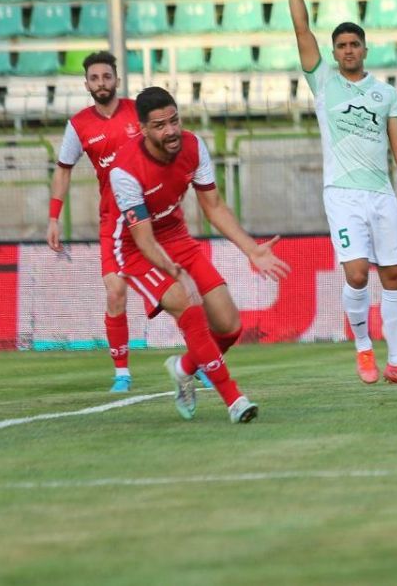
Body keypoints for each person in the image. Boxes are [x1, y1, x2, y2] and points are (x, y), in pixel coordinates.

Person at [285, 0, 397, 385]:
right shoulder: (323, 80)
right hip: (343, 193)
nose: (348, 50)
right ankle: (364, 348)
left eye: (354, 44)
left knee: (395, 274)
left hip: (381, 193)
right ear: (334, 52)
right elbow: (302, 30)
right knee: (357, 271)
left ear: (365, 49)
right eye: (341, 45)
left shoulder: (384, 94)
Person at [108, 87, 291, 423]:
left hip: (178, 239)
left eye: (174, 120)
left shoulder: (193, 146)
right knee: (188, 306)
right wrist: (177, 273)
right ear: (143, 130)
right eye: (160, 125)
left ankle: (183, 368)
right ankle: (234, 400)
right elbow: (145, 241)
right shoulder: (124, 171)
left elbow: (214, 207)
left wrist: (251, 250)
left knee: (229, 327)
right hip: (138, 251)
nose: (171, 130)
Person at [46, 51, 145, 392]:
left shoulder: (141, 112)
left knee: (180, 293)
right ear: (86, 83)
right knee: (115, 292)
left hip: (152, 217)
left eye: (106, 76)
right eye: (94, 78)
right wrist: (54, 218)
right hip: (113, 220)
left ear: (117, 79)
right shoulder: (78, 125)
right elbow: (63, 170)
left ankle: (200, 361)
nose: (101, 83)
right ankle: (121, 372)